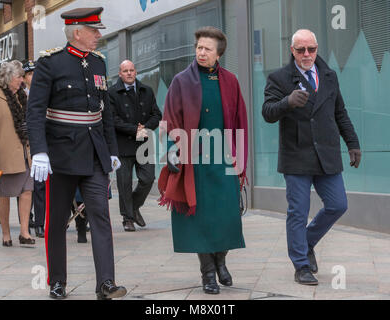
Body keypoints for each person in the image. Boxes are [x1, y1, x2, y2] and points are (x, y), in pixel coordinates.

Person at [26, 7, 127, 300]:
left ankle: (106, 284)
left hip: (94, 154)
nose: (98, 35)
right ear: (77, 33)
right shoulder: (50, 64)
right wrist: (40, 152)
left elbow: (103, 110)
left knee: (101, 218)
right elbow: (35, 113)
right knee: (56, 222)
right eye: (94, 30)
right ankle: (57, 282)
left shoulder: (97, 63)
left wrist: (111, 150)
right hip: (60, 155)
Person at [262, 29, 361, 285]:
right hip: (296, 156)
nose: (307, 55)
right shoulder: (279, 78)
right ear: (292, 51)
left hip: (326, 153)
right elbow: (267, 113)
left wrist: (352, 142)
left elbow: (340, 113)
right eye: (300, 50)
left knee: (338, 204)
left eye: (311, 49)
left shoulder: (329, 75)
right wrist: (287, 102)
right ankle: (301, 265)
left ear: (317, 49)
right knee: (298, 211)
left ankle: (305, 242)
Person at [158, 26, 248, 294]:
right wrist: (172, 150)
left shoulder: (231, 81)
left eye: (207, 49)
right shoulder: (181, 81)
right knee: (200, 218)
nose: (201, 52)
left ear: (219, 54)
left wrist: (240, 158)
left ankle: (221, 260)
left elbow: (240, 121)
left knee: (227, 215)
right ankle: (208, 273)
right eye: (199, 47)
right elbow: (170, 118)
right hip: (193, 159)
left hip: (224, 157)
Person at [109, 60, 162, 232]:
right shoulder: (112, 93)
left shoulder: (146, 90)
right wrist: (133, 130)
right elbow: (112, 119)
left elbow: (156, 114)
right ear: (120, 73)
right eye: (125, 71)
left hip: (144, 143)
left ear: (136, 71)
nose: (129, 73)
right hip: (123, 144)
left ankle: (133, 206)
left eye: (132, 70)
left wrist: (145, 128)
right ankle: (128, 218)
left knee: (148, 178)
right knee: (124, 183)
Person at [0, 60, 35, 247]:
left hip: (25, 153)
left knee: (27, 191)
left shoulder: (22, 95)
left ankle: (24, 232)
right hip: (4, 155)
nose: (22, 80)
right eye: (19, 77)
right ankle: (6, 234)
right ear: (9, 78)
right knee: (4, 195)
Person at [23, 60, 45, 238]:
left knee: (39, 185)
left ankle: (39, 223)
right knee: (24, 186)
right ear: (23, 78)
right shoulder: (19, 96)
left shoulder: (45, 92)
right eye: (29, 74)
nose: (33, 76)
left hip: (41, 144)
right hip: (24, 146)